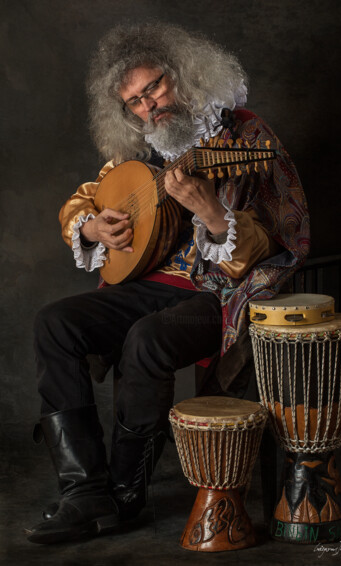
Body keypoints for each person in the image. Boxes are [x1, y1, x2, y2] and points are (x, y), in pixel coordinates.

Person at [26, 22, 310, 544]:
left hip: (217, 295)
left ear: (183, 74)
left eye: (153, 88)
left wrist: (214, 214)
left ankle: (126, 494)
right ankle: (85, 491)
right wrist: (92, 226)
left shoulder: (245, 137)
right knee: (56, 323)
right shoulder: (144, 152)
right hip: (152, 285)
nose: (147, 108)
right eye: (133, 102)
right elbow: (87, 197)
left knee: (148, 337)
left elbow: (278, 237)